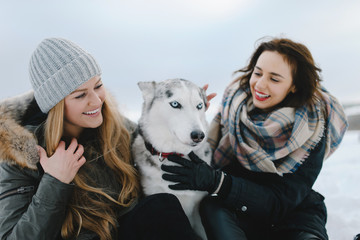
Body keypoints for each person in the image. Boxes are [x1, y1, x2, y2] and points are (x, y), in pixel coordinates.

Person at [0, 38, 198, 240]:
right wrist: (55, 181)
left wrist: (190, 109)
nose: (96, 101)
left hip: (121, 230)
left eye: (98, 86)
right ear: (56, 106)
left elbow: (160, 143)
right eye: (80, 96)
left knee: (162, 207)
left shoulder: (118, 129)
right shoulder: (20, 155)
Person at [161, 37, 348, 240]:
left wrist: (218, 182)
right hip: (235, 213)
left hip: (294, 218)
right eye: (257, 73)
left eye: (274, 79)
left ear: (294, 85)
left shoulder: (311, 128)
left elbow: (279, 202)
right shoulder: (233, 110)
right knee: (212, 208)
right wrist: (192, 117)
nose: (260, 84)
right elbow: (200, 159)